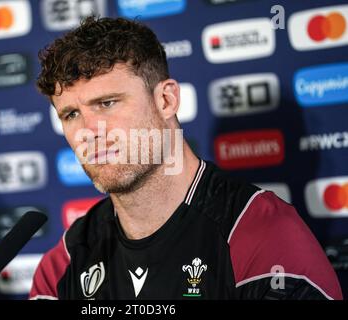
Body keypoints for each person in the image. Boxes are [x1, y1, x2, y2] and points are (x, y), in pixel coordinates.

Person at [30, 16, 342, 300]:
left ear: (166, 99)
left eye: (107, 103)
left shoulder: (260, 236)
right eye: (71, 114)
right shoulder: (64, 264)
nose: (88, 132)